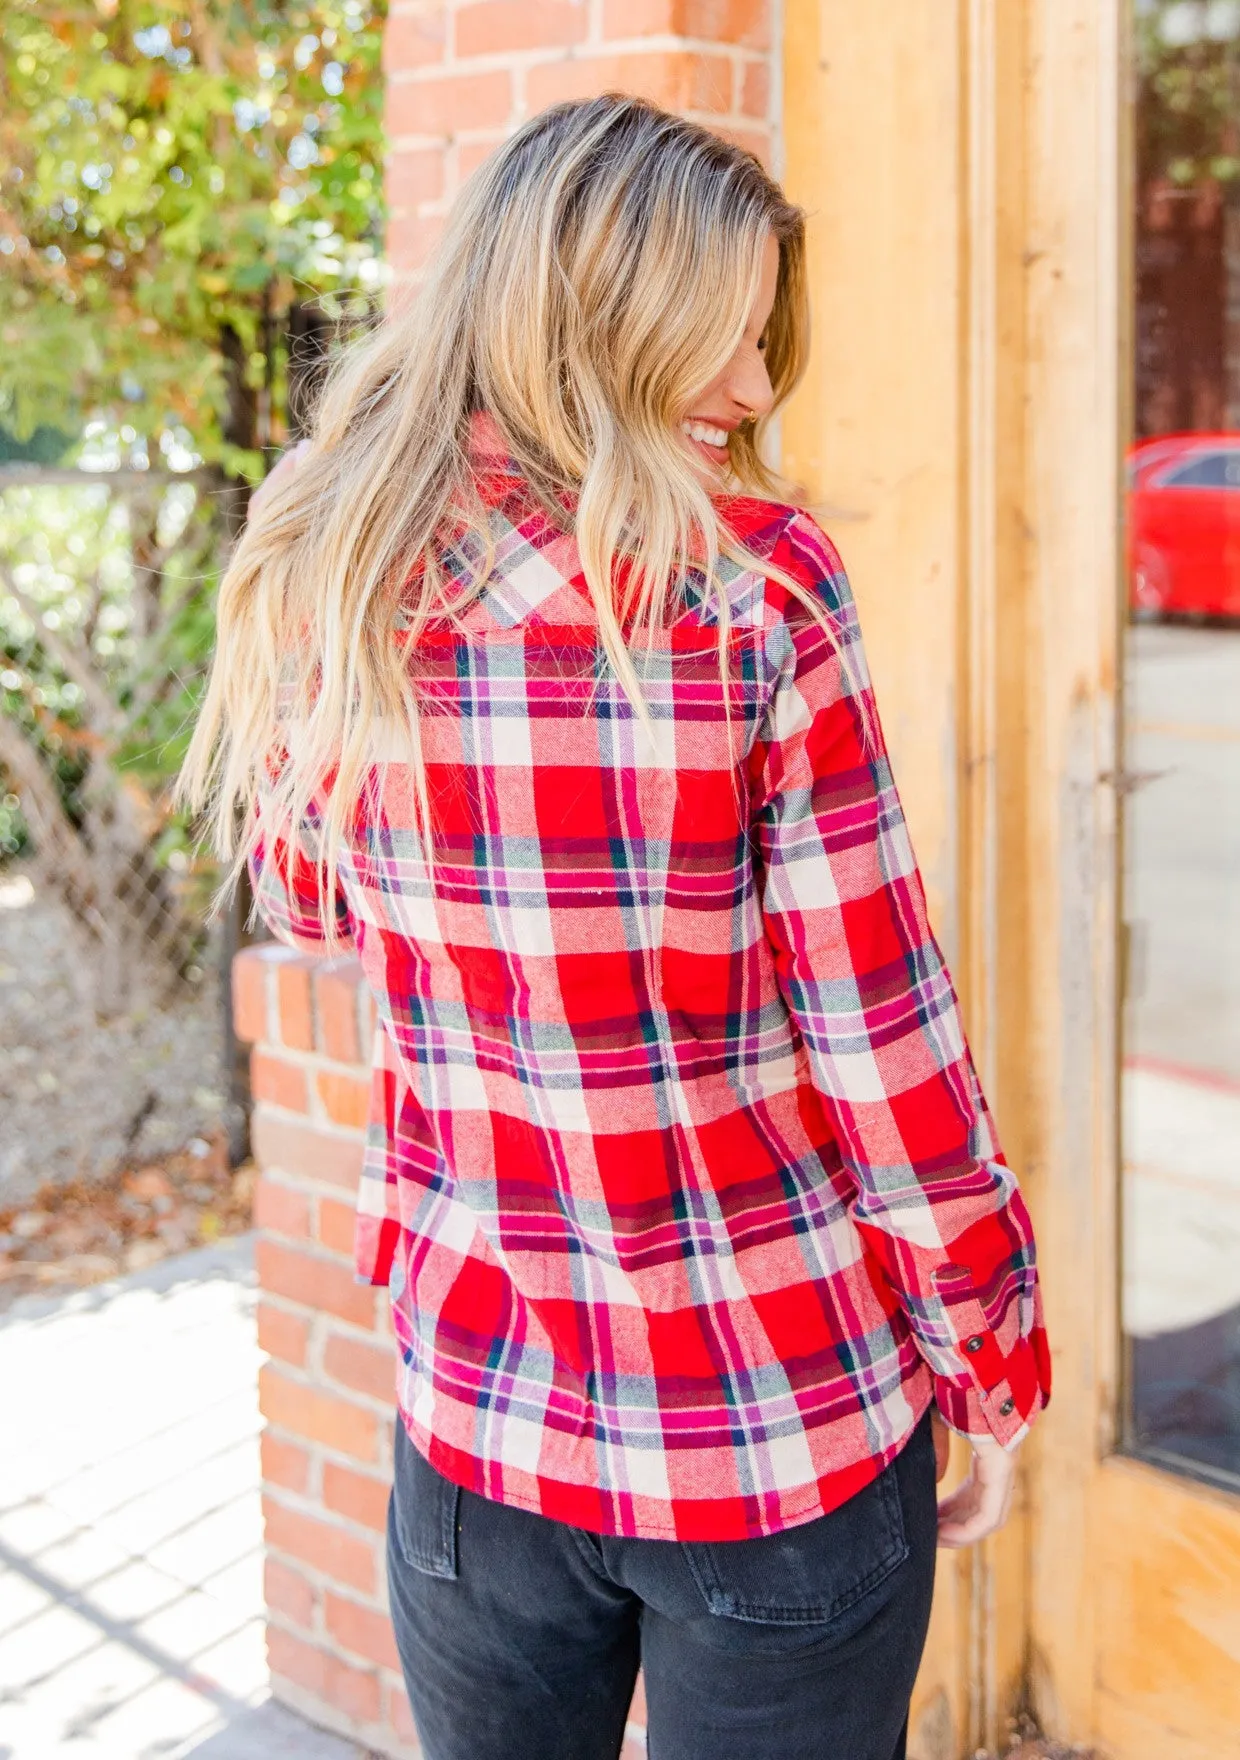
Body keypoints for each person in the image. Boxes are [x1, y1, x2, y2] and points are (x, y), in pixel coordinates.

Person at [178, 93, 1050, 1760]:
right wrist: (991, 1353)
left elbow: (311, 904)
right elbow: (882, 1044)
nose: (752, 387)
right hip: (770, 1436)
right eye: (712, 339)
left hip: (479, 1432)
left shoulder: (334, 549)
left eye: (759, 336)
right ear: (589, 315)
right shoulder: (760, 582)